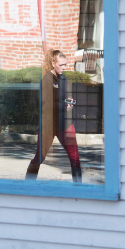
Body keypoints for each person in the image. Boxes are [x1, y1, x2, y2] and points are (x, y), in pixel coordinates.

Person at [25, 49, 82, 182]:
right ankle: (28, 185)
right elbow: (46, 105)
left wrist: (70, 101)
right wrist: (64, 105)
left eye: (65, 64)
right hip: (48, 125)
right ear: (53, 63)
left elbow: (68, 96)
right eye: (62, 65)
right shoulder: (46, 80)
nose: (64, 67)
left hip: (64, 124)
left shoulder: (64, 79)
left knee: (75, 158)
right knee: (39, 158)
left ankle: (79, 189)